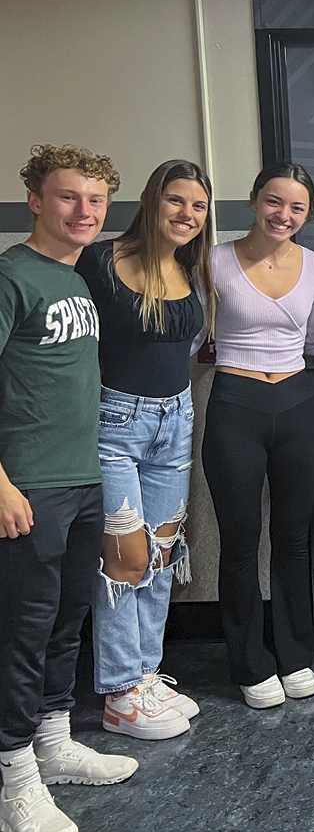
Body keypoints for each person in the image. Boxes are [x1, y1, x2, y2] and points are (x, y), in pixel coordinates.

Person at [2, 145, 138, 832]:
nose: (83, 212)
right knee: (22, 632)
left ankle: (53, 743)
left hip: (82, 478)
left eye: (95, 200)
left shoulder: (77, 281)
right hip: (28, 486)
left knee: (66, 620)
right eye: (67, 197)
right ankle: (14, 778)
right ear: (34, 199)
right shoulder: (10, 276)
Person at [77, 160, 214, 741]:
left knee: (159, 556)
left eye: (199, 206)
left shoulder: (190, 269)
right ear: (151, 201)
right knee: (123, 559)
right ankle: (117, 691)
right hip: (113, 424)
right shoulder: (100, 262)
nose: (187, 215)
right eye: (176, 201)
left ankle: (145, 674)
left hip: (174, 422)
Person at [202, 163, 314, 710]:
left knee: (294, 538)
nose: (284, 215)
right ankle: (249, 663)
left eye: (297, 207)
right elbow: (192, 330)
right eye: (275, 202)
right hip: (236, 402)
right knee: (239, 542)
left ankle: (295, 654)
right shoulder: (214, 259)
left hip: (299, 403)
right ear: (254, 200)